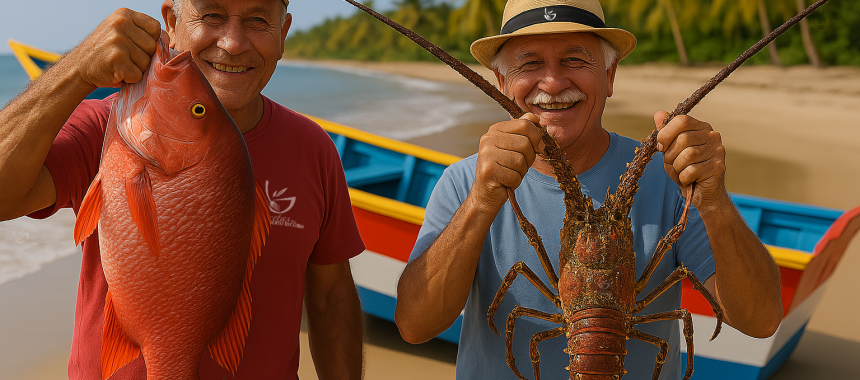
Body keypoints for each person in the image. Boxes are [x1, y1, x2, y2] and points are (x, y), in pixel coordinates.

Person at [395, 0, 783, 379]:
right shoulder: (464, 183)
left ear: (609, 75)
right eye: (530, 63)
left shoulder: (673, 179)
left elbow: (761, 320)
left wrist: (714, 202)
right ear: (502, 83)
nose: (553, 83)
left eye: (575, 60)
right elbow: (415, 326)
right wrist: (481, 201)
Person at [0, 0, 364, 379]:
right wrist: (76, 71)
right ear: (171, 23)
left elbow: (332, 298)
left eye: (258, 20)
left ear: (283, 33)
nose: (233, 43)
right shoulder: (103, 128)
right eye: (212, 15)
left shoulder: (314, 147)